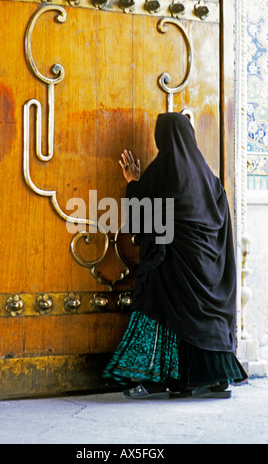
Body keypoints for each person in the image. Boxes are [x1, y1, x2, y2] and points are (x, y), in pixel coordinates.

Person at [103, 112, 247, 399]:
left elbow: (143, 217)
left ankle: (167, 379)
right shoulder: (209, 178)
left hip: (174, 268)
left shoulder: (162, 172)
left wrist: (133, 182)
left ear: (162, 139)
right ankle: (215, 378)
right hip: (209, 271)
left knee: (162, 305)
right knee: (200, 316)